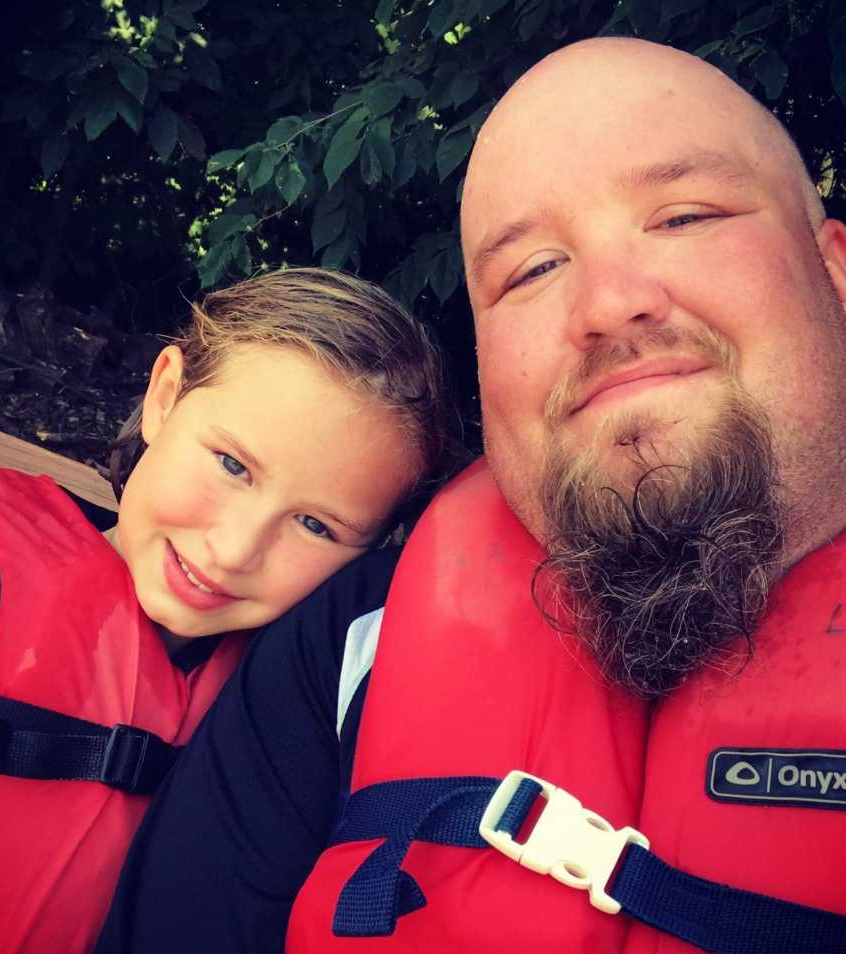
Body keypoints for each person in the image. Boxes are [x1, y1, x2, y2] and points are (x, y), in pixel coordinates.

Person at [96, 38, 846, 954]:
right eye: (530, 270)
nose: (609, 303)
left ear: (835, 268)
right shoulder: (341, 647)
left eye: (685, 216)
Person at [0, 266, 462, 954]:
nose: (233, 552)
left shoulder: (298, 720)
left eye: (316, 526)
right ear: (165, 396)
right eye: (232, 464)